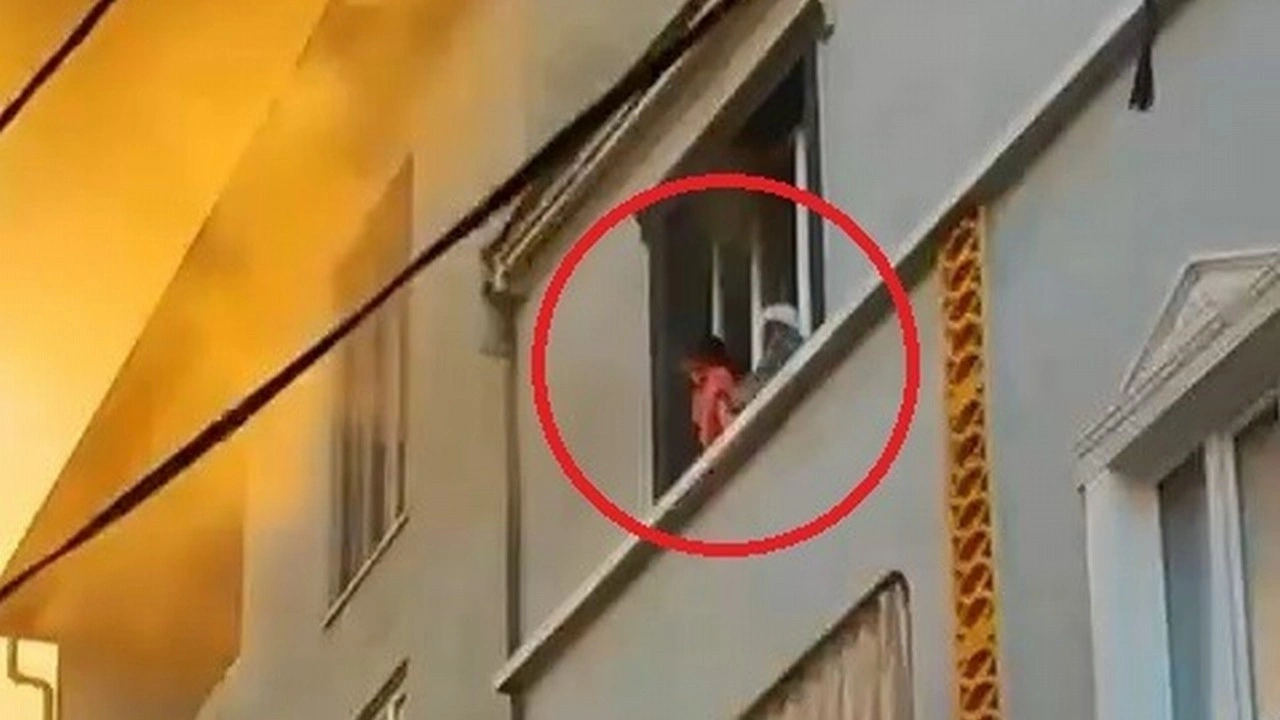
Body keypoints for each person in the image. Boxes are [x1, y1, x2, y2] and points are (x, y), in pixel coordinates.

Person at [732, 303, 804, 412]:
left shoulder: (784, 344)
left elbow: (765, 373)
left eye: (771, 326)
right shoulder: (783, 343)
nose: (768, 332)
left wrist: (747, 390)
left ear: (779, 325)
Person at [681, 335, 740, 450]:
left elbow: (726, 416)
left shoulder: (719, 377)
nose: (693, 375)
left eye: (698, 369)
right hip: (713, 449)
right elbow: (699, 425)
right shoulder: (699, 389)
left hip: (725, 446)